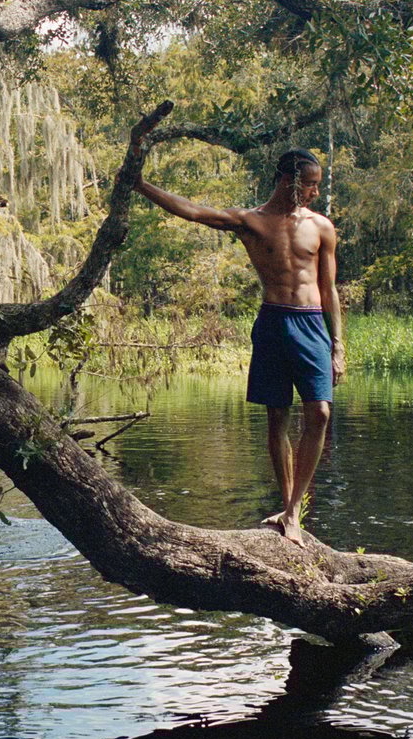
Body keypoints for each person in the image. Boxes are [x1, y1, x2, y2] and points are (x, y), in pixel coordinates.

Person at [136, 149, 344, 541]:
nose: (317, 190)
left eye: (318, 183)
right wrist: (141, 185)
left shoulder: (321, 227)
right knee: (277, 417)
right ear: (289, 181)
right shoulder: (250, 221)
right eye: (312, 183)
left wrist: (338, 345)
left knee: (319, 412)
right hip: (273, 322)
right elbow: (193, 211)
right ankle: (289, 511)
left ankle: (294, 508)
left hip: (312, 324)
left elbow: (328, 288)